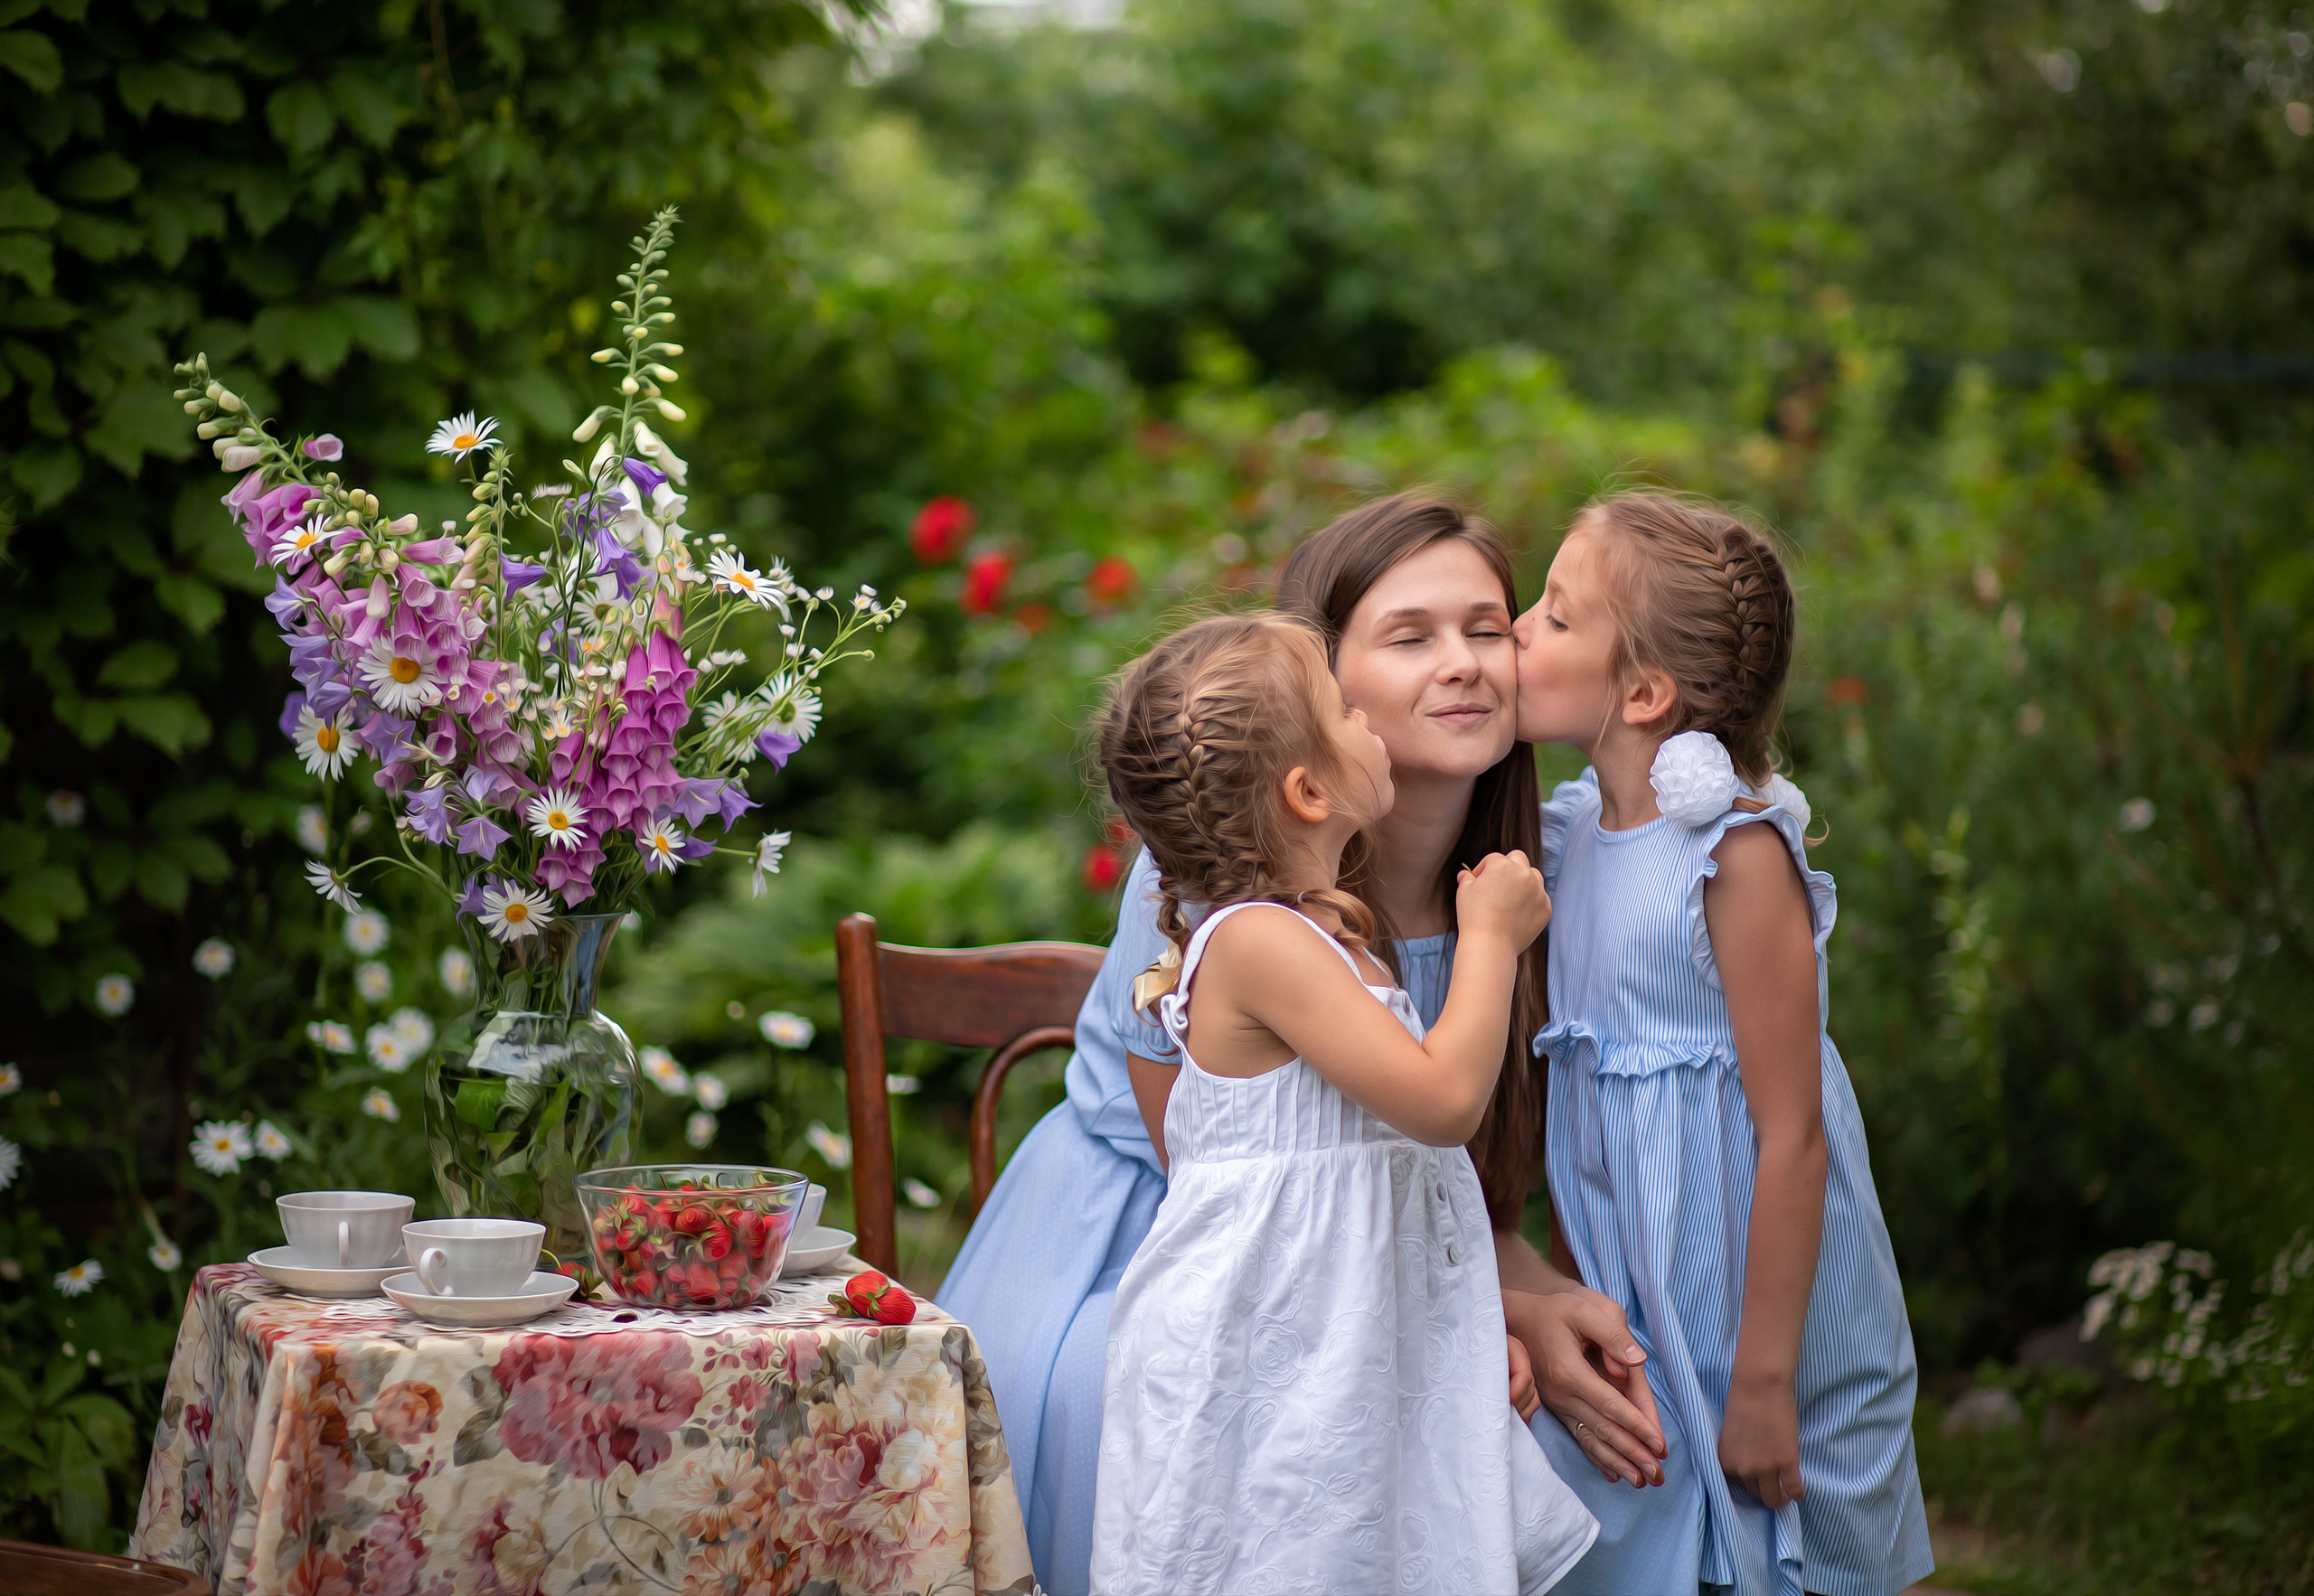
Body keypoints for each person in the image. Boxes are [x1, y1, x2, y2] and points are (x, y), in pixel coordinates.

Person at [935, 496, 1665, 1595]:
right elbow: (1221, 1175)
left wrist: (1540, 1298)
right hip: (1170, 1240)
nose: (1465, 662)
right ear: (1313, 718)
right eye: (1410, 635)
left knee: (1611, 1411)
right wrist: (1474, 1317)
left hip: (1384, 1231)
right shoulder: (1217, 890)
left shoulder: (1528, 872)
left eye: (1487, 625)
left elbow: (1441, 1176)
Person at [1088, 611, 1597, 1593]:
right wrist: (1487, 939)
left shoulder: (1317, 931)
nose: (1366, 713)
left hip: (1340, 1335)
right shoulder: (1256, 942)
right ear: (1308, 791)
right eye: (1340, 706)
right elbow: (1445, 1100)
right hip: (1272, 1352)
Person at [1510, 492, 1933, 1596]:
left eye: (1555, 616)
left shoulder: (1730, 854)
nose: (1515, 629)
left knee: (1790, 1535)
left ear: (1644, 692)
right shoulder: (1567, 843)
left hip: (1765, 1296)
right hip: (1641, 1273)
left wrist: (1764, 1376)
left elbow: (1792, 1130)